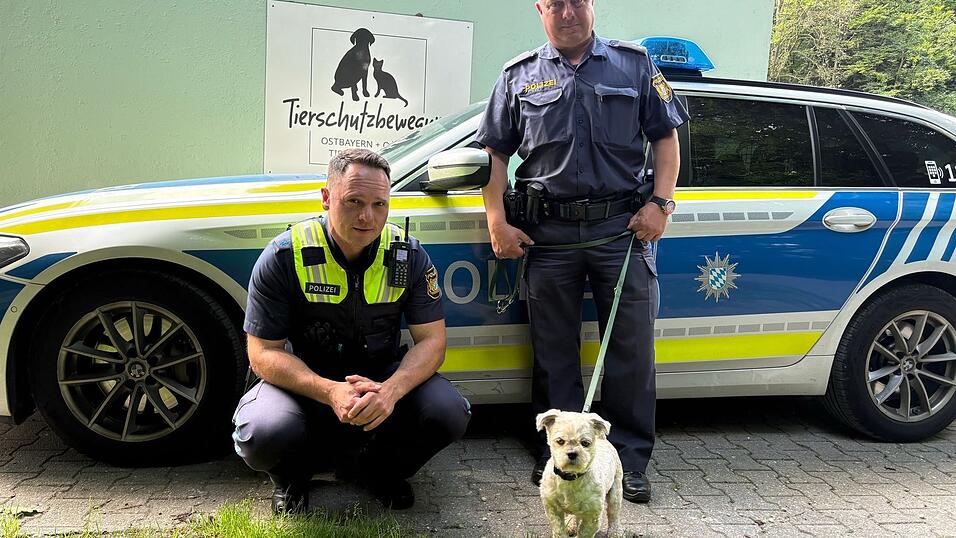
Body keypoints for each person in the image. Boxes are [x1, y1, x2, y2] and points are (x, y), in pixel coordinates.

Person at [476, 0, 688, 503]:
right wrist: (497, 220)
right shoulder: (517, 75)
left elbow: (666, 139)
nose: (566, 12)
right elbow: (495, 156)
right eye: (555, 4)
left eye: (576, 1)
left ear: (591, 6)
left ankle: (628, 461)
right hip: (546, 234)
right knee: (553, 354)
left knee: (631, 352)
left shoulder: (633, 65)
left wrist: (661, 202)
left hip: (623, 231)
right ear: (540, 10)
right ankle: (558, 458)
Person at [231, 148, 471, 515]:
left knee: (448, 412)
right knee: (263, 432)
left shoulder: (407, 255)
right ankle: (291, 478)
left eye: (379, 204)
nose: (367, 216)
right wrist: (329, 391)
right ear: (327, 198)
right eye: (354, 201)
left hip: (380, 382)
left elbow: (433, 342)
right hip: (304, 387)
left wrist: (392, 391)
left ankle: (381, 471)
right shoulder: (284, 255)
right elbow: (262, 352)